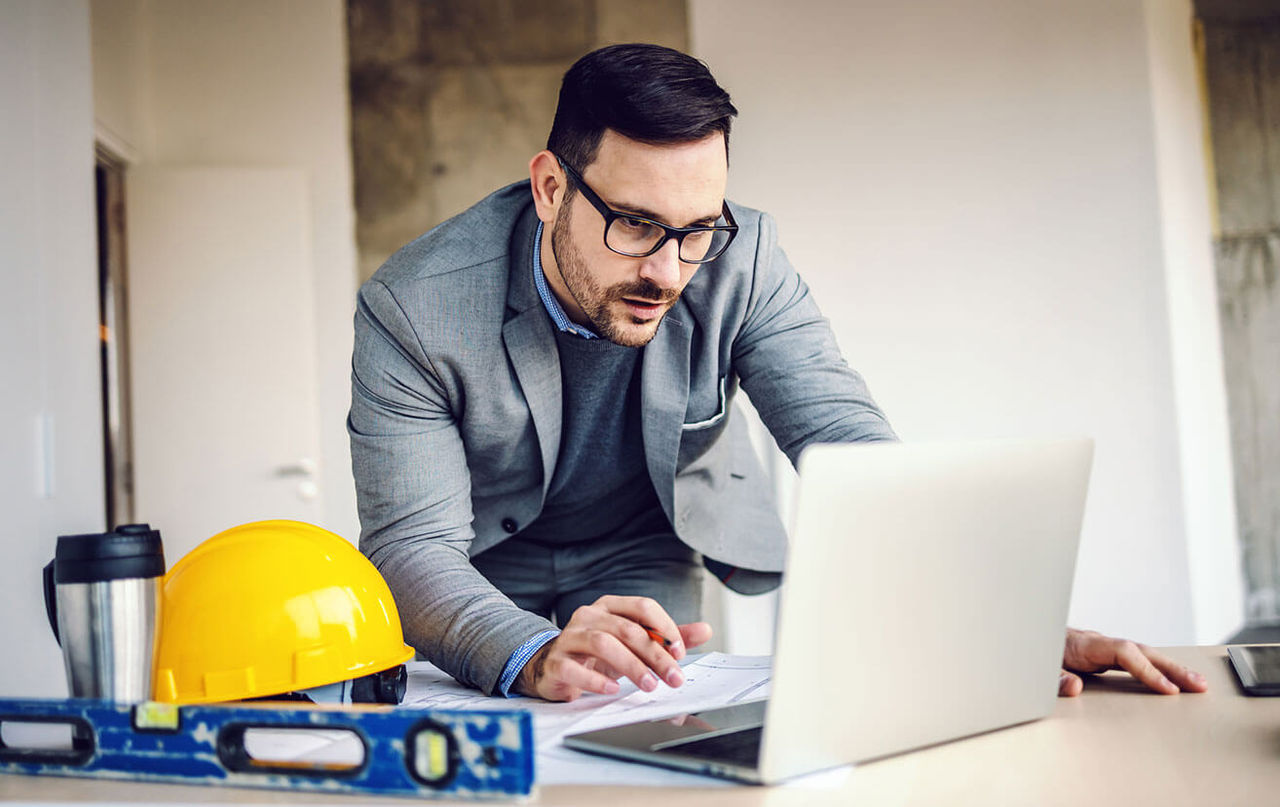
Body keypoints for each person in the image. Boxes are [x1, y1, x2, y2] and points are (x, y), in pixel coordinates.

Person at [348, 43, 1207, 703]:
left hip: (642, 546)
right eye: (637, 225)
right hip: (479, 562)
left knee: (640, 738)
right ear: (548, 188)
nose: (670, 271)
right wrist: (529, 651)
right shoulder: (414, 308)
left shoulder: (741, 257)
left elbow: (848, 443)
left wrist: (997, 621)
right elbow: (413, 544)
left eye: (696, 229)